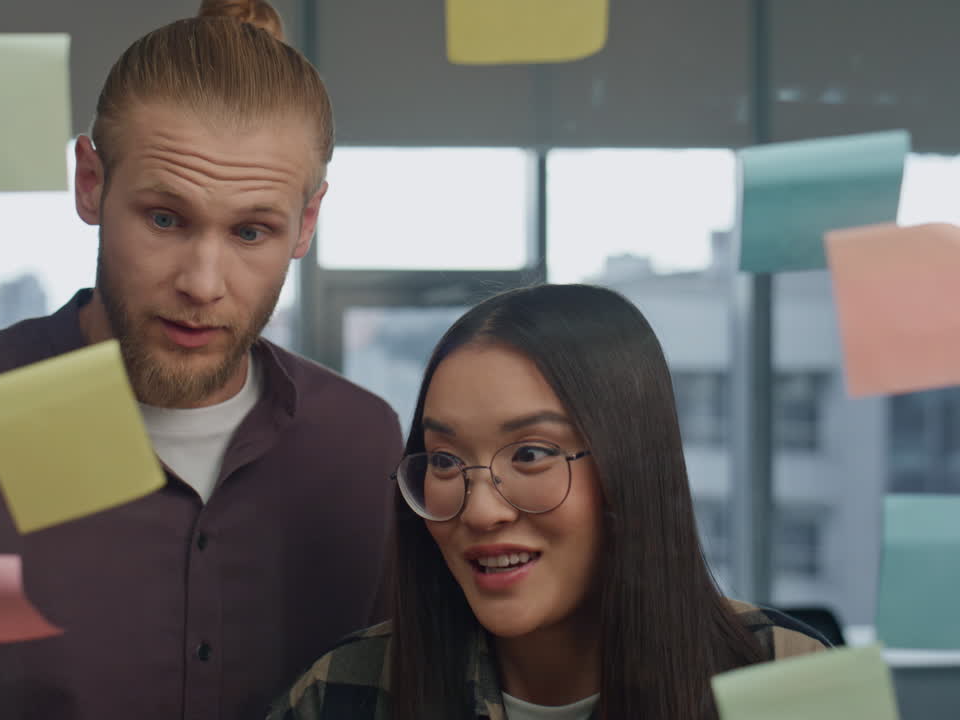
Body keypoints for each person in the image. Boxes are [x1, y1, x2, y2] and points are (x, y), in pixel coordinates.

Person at [0, 2, 403, 719]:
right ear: (91, 183)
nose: (202, 281)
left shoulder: (363, 446)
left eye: (251, 231)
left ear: (306, 224)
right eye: (165, 219)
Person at [269, 284, 830, 720]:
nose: (482, 511)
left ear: (628, 467)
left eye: (532, 454)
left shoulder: (792, 677)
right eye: (444, 461)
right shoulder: (342, 691)